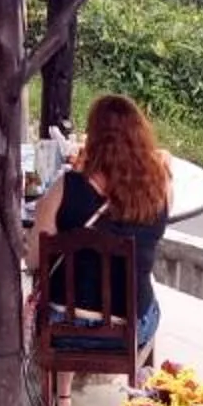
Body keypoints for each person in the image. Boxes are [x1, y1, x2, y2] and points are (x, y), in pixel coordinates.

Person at [34, 91, 171, 352]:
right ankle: (139, 375)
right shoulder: (159, 191)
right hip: (128, 332)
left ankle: (62, 392)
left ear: (92, 137)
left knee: (66, 287)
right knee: (149, 300)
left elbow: (34, 257)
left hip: (63, 329)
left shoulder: (67, 187)